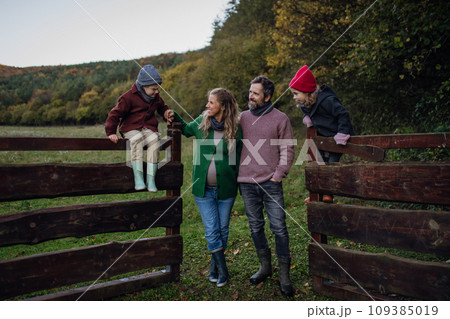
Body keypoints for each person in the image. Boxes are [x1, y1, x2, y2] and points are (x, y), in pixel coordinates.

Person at [172, 88, 242, 288]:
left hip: (226, 190)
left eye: (211, 102)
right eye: (208, 102)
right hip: (203, 190)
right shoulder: (202, 122)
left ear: (223, 106)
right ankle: (224, 270)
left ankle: (214, 268)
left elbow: (240, 155)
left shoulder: (236, 128)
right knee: (212, 231)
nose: (207, 106)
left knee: (223, 230)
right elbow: (185, 129)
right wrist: (173, 115)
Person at [238, 75, 295, 297]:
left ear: (267, 96)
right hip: (246, 182)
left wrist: (278, 175)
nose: (250, 96)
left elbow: (287, 149)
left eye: (255, 93)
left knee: (279, 227)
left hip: (271, 182)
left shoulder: (281, 118)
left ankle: (284, 274)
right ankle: (265, 266)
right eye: (250, 92)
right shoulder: (241, 117)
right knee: (255, 227)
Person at [289, 65, 355, 202]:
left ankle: (328, 193)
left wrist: (342, 133)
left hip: (337, 139)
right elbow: (310, 113)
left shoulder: (327, 100)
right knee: (318, 164)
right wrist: (309, 119)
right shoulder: (305, 104)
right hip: (323, 139)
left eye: (296, 94)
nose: (294, 97)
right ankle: (317, 193)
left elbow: (343, 114)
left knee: (330, 166)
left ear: (307, 92)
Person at [105, 65, 173, 192]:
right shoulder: (128, 97)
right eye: (154, 89)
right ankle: (139, 178)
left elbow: (162, 107)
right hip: (130, 127)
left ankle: (151, 179)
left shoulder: (155, 97)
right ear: (143, 86)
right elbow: (114, 114)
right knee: (137, 139)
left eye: (158, 89)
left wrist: (166, 113)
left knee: (154, 139)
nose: (157, 92)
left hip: (147, 127)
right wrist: (111, 132)